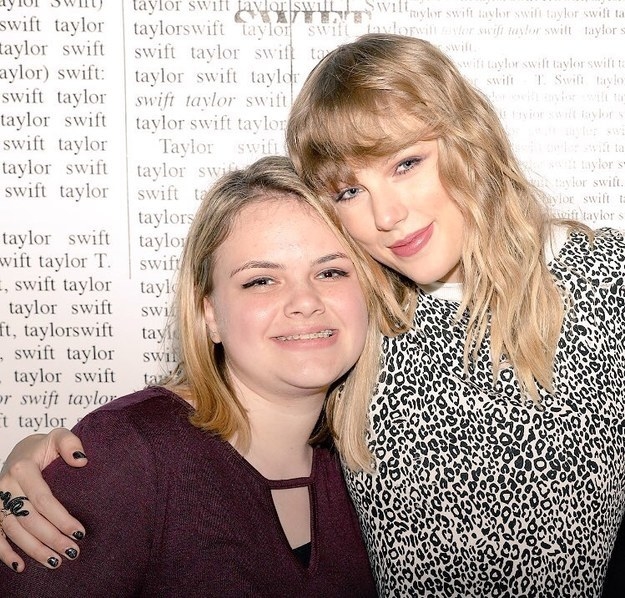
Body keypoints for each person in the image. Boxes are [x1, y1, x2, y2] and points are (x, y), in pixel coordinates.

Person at [2, 34, 625, 597]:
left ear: (471, 142)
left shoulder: (604, 279)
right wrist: (50, 463)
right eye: (349, 191)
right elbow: (220, 389)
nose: (387, 216)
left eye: (406, 163)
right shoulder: (372, 319)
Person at [0, 154, 407, 597]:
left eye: (331, 272)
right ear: (208, 313)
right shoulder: (128, 455)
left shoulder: (371, 468)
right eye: (261, 281)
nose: (305, 301)